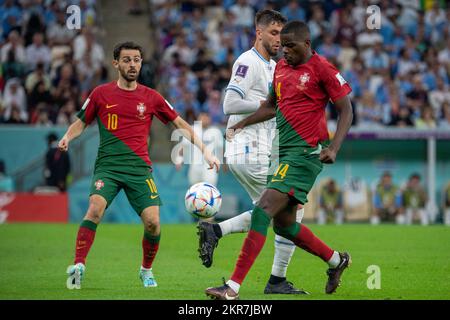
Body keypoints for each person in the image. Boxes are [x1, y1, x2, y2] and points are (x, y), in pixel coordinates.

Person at [205, 21, 353, 300]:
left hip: (305, 153)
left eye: (291, 46)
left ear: (307, 44)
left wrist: (334, 147)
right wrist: (242, 124)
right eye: (283, 46)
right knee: (284, 225)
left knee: (263, 208)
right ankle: (336, 261)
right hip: (281, 152)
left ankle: (232, 287)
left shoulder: (322, 68)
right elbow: (271, 106)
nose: (285, 52)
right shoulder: (282, 69)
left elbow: (346, 109)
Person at [59, 42, 220, 290]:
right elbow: (81, 121)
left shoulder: (151, 97)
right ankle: (78, 265)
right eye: (127, 60)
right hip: (108, 167)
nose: (132, 64)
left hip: (139, 169)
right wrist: (68, 137)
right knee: (94, 209)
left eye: (136, 59)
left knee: (153, 223)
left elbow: (180, 124)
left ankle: (146, 270)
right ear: (116, 63)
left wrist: (206, 151)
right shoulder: (101, 93)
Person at [197, 10, 308, 295]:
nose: (278, 40)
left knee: (269, 212)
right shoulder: (248, 61)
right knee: (292, 209)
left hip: (256, 149)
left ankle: (216, 231)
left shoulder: (273, 66)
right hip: (249, 148)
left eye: (281, 35)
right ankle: (276, 280)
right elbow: (229, 104)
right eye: (273, 33)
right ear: (258, 33)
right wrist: (265, 103)